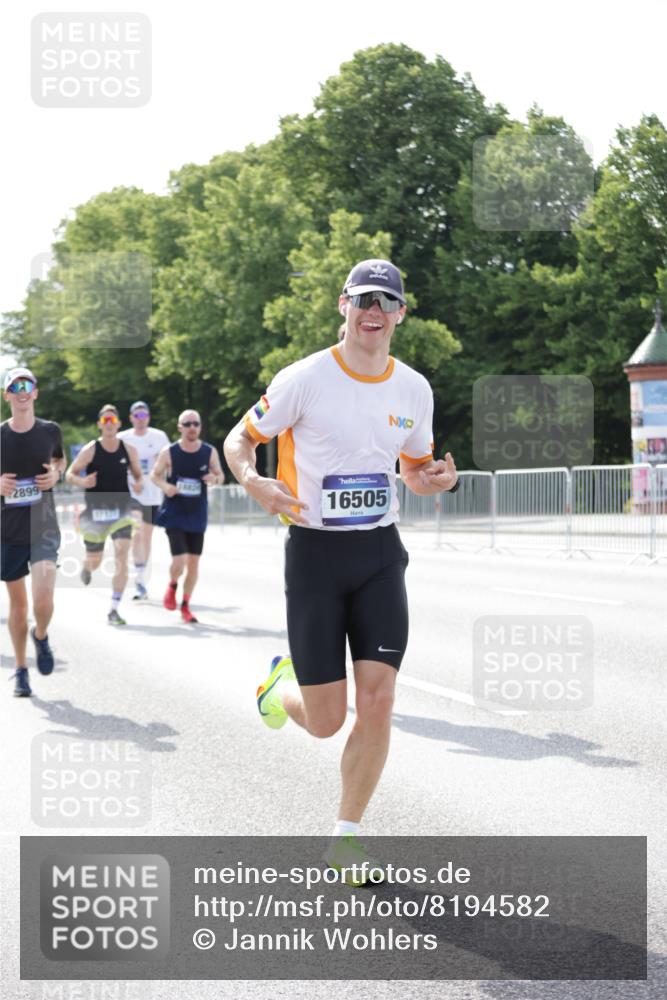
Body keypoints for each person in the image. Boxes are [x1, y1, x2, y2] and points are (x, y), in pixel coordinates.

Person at [224, 259, 459, 883]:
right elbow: (237, 441)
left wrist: (435, 480)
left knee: (378, 701)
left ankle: (345, 838)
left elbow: (413, 469)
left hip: (380, 553)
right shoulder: (304, 378)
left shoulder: (414, 388)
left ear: (401, 313)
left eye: (386, 300)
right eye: (363, 299)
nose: (373, 310)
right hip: (315, 557)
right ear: (344, 306)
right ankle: (279, 688)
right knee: (327, 722)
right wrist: (254, 482)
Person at [1, 367, 66, 697]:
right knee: (18, 606)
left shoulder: (50, 431)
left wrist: (56, 475)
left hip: (44, 526)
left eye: (27, 384)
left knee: (43, 599)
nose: (22, 390)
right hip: (8, 531)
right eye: (15, 385)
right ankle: (21, 669)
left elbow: (60, 462)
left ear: (36, 392)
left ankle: (41, 635)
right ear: (7, 395)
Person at [65, 404, 143, 625]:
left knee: (121, 552)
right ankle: (87, 567)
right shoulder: (91, 449)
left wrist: (139, 483)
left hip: (122, 510)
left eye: (112, 420)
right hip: (95, 512)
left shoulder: (128, 450)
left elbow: (138, 475)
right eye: (105, 421)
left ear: (118, 424)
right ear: (100, 425)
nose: (109, 424)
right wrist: (83, 481)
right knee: (95, 560)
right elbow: (70, 474)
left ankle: (114, 608)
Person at [150, 410, 225, 623]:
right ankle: (172, 585)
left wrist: (214, 478)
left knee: (193, 564)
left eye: (196, 423)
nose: (192, 427)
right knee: (180, 560)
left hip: (197, 513)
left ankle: (185, 605)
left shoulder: (209, 452)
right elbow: (154, 475)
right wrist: (166, 486)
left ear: (200, 427)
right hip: (174, 512)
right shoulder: (169, 451)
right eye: (187, 423)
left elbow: (220, 475)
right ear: (179, 427)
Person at [118, 401, 170, 601]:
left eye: (144, 416)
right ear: (131, 418)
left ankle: (140, 577)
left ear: (148, 417)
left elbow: (165, 463)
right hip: (130, 492)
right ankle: (139, 575)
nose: (141, 419)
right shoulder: (123, 437)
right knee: (137, 532)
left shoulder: (159, 437)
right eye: (137, 416)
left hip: (152, 494)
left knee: (146, 537)